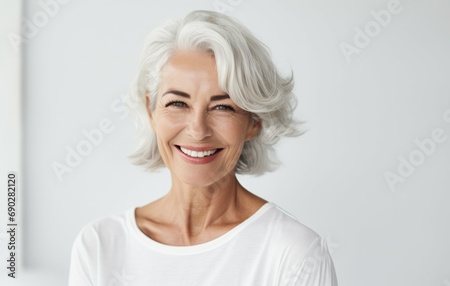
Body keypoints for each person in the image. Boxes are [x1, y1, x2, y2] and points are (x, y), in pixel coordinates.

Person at [69, 10, 338, 286]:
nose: (198, 130)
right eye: (177, 103)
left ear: (254, 122)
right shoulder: (100, 247)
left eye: (222, 107)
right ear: (151, 112)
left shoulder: (295, 253)